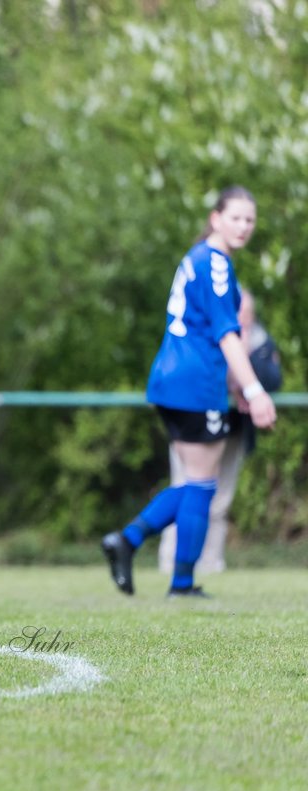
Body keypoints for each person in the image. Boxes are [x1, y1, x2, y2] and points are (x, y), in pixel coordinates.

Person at [101, 186, 276, 598]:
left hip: (171, 379)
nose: (244, 226)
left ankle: (131, 544)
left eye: (250, 220)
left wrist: (236, 385)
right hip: (195, 383)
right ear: (215, 218)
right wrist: (254, 391)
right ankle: (167, 572)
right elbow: (227, 335)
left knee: (197, 483)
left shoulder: (195, 258)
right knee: (201, 484)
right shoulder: (215, 264)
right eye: (235, 217)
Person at [156, 290, 282, 575]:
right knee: (188, 491)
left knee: (217, 499)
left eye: (247, 315)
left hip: (233, 428)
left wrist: (246, 353)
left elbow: (273, 378)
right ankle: (171, 563)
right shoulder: (200, 336)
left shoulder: (259, 341)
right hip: (196, 423)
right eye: (238, 312)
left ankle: (208, 564)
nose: (242, 319)